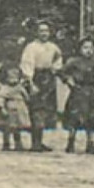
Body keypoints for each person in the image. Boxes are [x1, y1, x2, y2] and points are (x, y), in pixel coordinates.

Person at [19, 20, 63, 153]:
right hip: (36, 78)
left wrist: (55, 70)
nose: (44, 34)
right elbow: (27, 64)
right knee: (36, 109)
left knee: (46, 110)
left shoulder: (53, 47)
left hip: (48, 79)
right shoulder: (31, 47)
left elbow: (58, 60)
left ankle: (41, 140)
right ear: (36, 33)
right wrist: (30, 82)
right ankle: (35, 142)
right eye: (41, 31)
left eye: (46, 31)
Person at [59, 35, 94, 154]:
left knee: (91, 118)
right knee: (74, 118)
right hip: (77, 92)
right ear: (80, 49)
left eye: (90, 48)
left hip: (91, 92)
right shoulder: (73, 61)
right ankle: (70, 142)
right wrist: (68, 79)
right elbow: (62, 72)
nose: (88, 50)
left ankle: (90, 143)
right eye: (85, 47)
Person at [0, 64, 32, 152]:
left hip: (19, 109)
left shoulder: (20, 88)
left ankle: (18, 144)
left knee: (17, 128)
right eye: (10, 77)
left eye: (16, 76)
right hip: (9, 109)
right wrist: (2, 108)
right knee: (7, 127)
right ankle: (6, 144)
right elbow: (1, 98)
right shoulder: (5, 88)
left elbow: (27, 97)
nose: (13, 79)